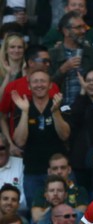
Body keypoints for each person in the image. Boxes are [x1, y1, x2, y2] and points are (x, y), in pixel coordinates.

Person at [11, 70, 70, 208]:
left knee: (63, 212)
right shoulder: (22, 106)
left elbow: (65, 135)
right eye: (35, 81)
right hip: (33, 172)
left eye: (43, 81)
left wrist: (55, 112)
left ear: (50, 85)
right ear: (29, 86)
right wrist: (25, 112)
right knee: (36, 214)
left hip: (59, 171)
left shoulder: (59, 104)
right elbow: (19, 141)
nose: (39, 85)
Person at [0, 44, 59, 145]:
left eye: (48, 61)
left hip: (49, 145)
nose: (48, 64)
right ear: (31, 63)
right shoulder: (13, 87)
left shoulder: (52, 86)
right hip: (20, 146)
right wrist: (10, 144)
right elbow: (2, 117)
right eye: (44, 61)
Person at [48, 10, 93, 107]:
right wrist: (63, 69)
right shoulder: (52, 54)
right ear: (66, 31)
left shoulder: (92, 53)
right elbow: (46, 86)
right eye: (78, 27)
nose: (83, 31)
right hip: (60, 109)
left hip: (87, 110)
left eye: (84, 27)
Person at [31, 154, 89, 223]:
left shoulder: (79, 190)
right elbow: (36, 217)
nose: (59, 172)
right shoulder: (41, 191)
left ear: (69, 170)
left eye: (63, 168)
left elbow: (80, 215)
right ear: (49, 172)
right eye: (55, 168)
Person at [0, 134, 26, 209]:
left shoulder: (21, 165)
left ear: (8, 148)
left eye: (1, 148)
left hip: (16, 214)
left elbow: (24, 200)